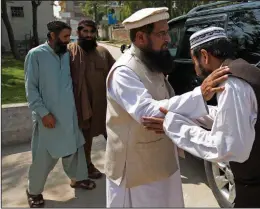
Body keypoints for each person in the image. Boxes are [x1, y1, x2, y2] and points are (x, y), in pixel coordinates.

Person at [142, 27, 260, 208]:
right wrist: (190, 114)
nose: (194, 66)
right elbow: (235, 119)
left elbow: (227, 148)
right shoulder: (244, 70)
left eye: (194, 59)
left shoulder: (232, 84)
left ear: (205, 56)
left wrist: (173, 126)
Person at [104, 8, 230, 207]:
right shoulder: (123, 72)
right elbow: (147, 112)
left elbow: (173, 105)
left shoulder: (151, 64)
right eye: (162, 34)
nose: (168, 40)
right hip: (136, 172)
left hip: (162, 162)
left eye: (167, 33)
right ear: (140, 37)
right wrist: (200, 94)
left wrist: (217, 116)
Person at [24, 20, 96, 208]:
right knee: (43, 158)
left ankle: (78, 179)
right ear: (52, 36)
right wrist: (43, 113)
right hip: (48, 118)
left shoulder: (64, 55)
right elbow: (30, 89)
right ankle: (33, 191)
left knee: (74, 150)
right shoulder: (36, 55)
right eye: (65, 37)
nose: (68, 41)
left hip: (69, 116)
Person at [68, 19, 115, 179]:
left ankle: (120, 162)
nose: (88, 35)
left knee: (115, 136)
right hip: (82, 105)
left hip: (104, 105)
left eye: (91, 32)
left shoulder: (103, 52)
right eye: (85, 31)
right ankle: (87, 166)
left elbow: (116, 74)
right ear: (78, 33)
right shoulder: (70, 52)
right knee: (85, 140)